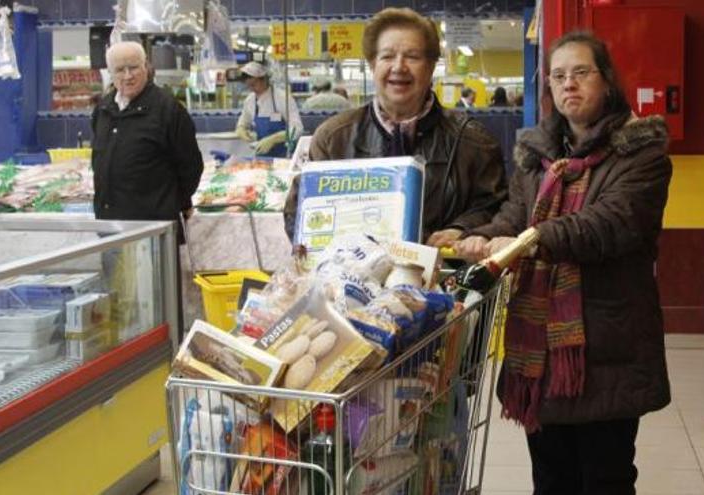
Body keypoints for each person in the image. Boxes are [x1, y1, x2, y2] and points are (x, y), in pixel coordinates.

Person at [454, 31, 672, 495]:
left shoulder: (643, 151)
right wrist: (478, 238)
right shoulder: (537, 156)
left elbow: (608, 224)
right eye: (558, 76)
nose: (568, 84)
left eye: (581, 73)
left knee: (605, 478)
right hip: (540, 354)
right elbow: (515, 216)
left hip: (606, 344)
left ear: (607, 81)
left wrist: (527, 241)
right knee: (550, 478)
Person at [283, 8, 507, 248]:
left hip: (443, 278)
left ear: (431, 67)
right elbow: (299, 213)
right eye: (387, 56)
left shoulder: (472, 140)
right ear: (372, 64)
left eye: (412, 56)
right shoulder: (333, 137)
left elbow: (496, 207)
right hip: (349, 279)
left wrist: (461, 230)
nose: (399, 67)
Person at [91, 41, 203, 228]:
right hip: (109, 224)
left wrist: (173, 204)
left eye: (133, 67)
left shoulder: (168, 109)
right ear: (110, 73)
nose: (128, 76)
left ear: (145, 67)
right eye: (119, 70)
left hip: (153, 228)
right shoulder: (103, 109)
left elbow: (190, 167)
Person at [234, 61, 304, 157]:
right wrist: (241, 131)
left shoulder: (283, 98)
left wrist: (273, 139)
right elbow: (242, 124)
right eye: (248, 86)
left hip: (284, 157)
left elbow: (298, 129)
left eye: (254, 84)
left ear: (264, 80)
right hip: (260, 157)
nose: (251, 89)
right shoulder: (250, 100)